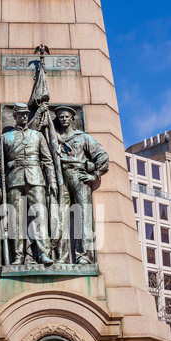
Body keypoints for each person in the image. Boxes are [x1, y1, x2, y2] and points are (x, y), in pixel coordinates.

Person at [0, 103, 57, 265]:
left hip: (35, 178)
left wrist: (52, 180)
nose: (24, 117)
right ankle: (18, 256)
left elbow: (47, 161)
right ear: (14, 116)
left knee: (39, 215)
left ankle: (43, 254)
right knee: (15, 219)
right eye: (20, 114)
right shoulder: (5, 138)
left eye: (26, 114)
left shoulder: (37, 136)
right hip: (14, 180)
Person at [54, 106, 109, 264]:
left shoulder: (83, 137)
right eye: (61, 117)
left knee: (83, 215)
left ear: (72, 119)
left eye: (66, 117)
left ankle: (83, 255)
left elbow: (102, 156)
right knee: (60, 215)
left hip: (79, 176)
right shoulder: (54, 137)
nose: (64, 119)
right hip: (60, 176)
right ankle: (61, 256)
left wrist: (95, 175)